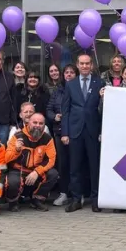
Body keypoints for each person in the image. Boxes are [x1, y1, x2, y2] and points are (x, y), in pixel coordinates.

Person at [62, 53, 104, 212]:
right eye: (82, 63)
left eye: (88, 64)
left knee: (94, 166)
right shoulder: (70, 84)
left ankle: (95, 199)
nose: (85, 66)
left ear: (91, 65)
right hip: (75, 130)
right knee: (75, 167)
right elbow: (65, 110)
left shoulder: (99, 83)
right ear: (77, 65)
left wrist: (101, 130)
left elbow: (103, 110)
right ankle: (76, 199)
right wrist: (65, 132)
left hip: (93, 131)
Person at [4, 112, 58, 210]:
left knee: (53, 174)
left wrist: (37, 172)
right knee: (12, 182)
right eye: (35, 122)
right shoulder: (17, 136)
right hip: (18, 171)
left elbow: (51, 160)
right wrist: (16, 150)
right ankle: (13, 202)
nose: (38, 126)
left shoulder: (48, 139)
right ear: (28, 123)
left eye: (41, 123)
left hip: (36, 172)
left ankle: (37, 200)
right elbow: (6, 158)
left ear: (44, 125)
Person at [48, 64, 77, 207]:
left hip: (75, 132)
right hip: (59, 132)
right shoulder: (58, 91)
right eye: (67, 72)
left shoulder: (79, 90)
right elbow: (48, 109)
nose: (69, 74)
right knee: (63, 163)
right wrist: (55, 116)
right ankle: (64, 192)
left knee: (76, 163)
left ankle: (77, 193)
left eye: (72, 72)